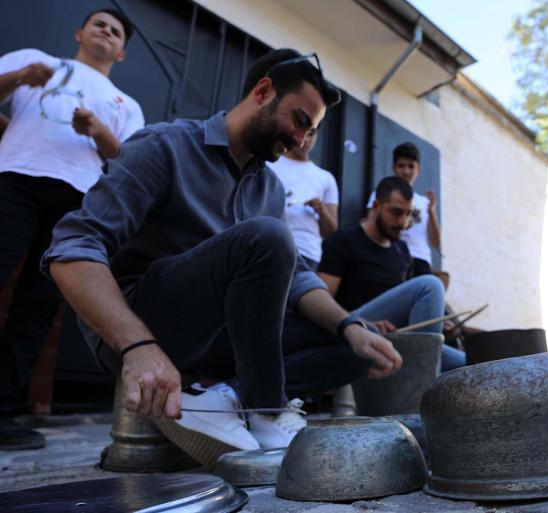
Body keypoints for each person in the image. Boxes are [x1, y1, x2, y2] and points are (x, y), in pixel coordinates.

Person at [41, 49, 402, 469]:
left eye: (311, 131)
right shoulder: (166, 145)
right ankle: (265, 410)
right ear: (263, 91)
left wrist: (351, 327)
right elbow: (72, 247)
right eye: (301, 121)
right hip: (144, 322)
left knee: (358, 347)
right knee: (267, 236)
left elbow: (299, 278)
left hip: (222, 336)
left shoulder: (268, 188)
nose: (302, 141)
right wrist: (138, 346)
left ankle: (223, 399)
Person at [0, 8, 144, 451]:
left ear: (121, 53)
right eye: (99, 24)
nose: (106, 31)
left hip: (80, 202)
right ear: (80, 32)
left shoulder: (126, 104)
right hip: (16, 179)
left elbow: (131, 162)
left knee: (38, 305)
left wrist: (100, 132)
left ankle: (2, 411)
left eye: (116, 31)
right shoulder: (36, 60)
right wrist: (21, 77)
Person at [320, 176, 465, 373]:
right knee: (430, 285)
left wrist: (439, 324)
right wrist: (364, 324)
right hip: (354, 331)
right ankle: (418, 389)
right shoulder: (344, 240)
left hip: (395, 337)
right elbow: (322, 303)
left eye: (408, 215)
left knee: (472, 364)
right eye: (396, 213)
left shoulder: (402, 251)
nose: (402, 222)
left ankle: (419, 379)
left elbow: (403, 309)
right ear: (376, 205)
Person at [267, 129, 338, 271]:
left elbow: (331, 230)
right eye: (304, 132)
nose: (307, 139)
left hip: (307, 254)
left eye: (312, 134)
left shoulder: (326, 177)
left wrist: (321, 209)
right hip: (268, 246)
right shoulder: (269, 165)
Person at [367, 142, 440, 276]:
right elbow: (369, 224)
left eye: (411, 166)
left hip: (420, 260)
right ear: (394, 168)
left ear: (418, 170)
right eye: (401, 166)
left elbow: (436, 243)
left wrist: (431, 212)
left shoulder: (425, 203)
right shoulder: (381, 193)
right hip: (391, 254)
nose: (406, 171)